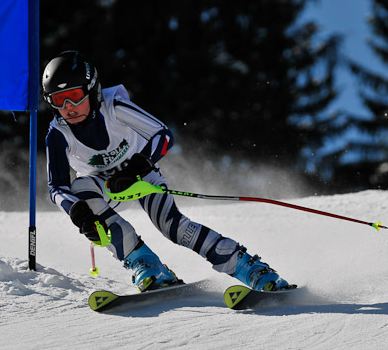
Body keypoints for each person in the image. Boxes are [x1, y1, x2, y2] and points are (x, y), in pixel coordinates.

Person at [42, 50, 292, 292]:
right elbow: (57, 187)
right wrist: (77, 213)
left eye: (74, 95)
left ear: (92, 90)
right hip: (104, 187)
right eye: (58, 100)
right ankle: (146, 264)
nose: (68, 106)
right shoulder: (58, 133)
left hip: (139, 176)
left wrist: (136, 168)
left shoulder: (113, 106)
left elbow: (162, 135)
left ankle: (250, 269)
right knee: (80, 190)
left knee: (171, 226)